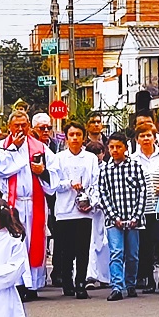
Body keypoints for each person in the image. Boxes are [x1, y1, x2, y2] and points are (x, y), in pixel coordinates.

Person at [0, 111, 56, 300]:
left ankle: (33, 284)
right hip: (14, 203)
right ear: (9, 127)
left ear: (28, 126)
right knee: (16, 243)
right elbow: (1, 170)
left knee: (34, 243)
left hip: (35, 202)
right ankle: (18, 283)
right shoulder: (1, 148)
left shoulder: (40, 148)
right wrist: (15, 148)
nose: (20, 129)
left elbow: (55, 173)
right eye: (16, 125)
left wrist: (42, 172)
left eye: (23, 125)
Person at [52, 122, 99, 299]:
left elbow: (96, 183)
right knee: (66, 249)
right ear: (66, 137)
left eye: (78, 135)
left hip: (84, 210)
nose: (75, 138)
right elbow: (54, 183)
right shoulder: (59, 158)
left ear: (83, 137)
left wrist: (91, 202)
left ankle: (80, 282)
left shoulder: (90, 159)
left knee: (82, 248)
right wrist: (69, 184)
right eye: (71, 135)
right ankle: (67, 281)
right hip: (64, 209)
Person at [100, 132, 147, 302]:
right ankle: (117, 286)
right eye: (111, 147)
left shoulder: (135, 166)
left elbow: (142, 191)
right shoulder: (105, 169)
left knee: (133, 254)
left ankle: (130, 283)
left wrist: (136, 215)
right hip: (114, 220)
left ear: (125, 148)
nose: (115, 150)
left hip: (133, 218)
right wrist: (114, 217)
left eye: (118, 147)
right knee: (116, 252)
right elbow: (103, 194)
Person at [130, 123, 159, 294]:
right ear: (137, 139)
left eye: (149, 135)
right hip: (141, 209)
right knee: (145, 246)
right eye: (142, 136)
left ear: (155, 137)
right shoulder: (132, 159)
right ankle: (148, 279)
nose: (146, 138)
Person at [32, 112, 62, 288]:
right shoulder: (30, 146)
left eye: (48, 128)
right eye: (41, 128)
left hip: (54, 194)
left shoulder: (57, 146)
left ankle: (58, 271)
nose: (45, 131)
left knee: (58, 234)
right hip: (35, 194)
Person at [84, 141, 110, 287]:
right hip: (87, 212)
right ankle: (90, 275)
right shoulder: (86, 168)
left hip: (103, 211)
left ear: (103, 153)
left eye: (99, 153)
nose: (96, 156)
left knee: (103, 243)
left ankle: (104, 276)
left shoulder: (107, 169)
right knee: (89, 243)